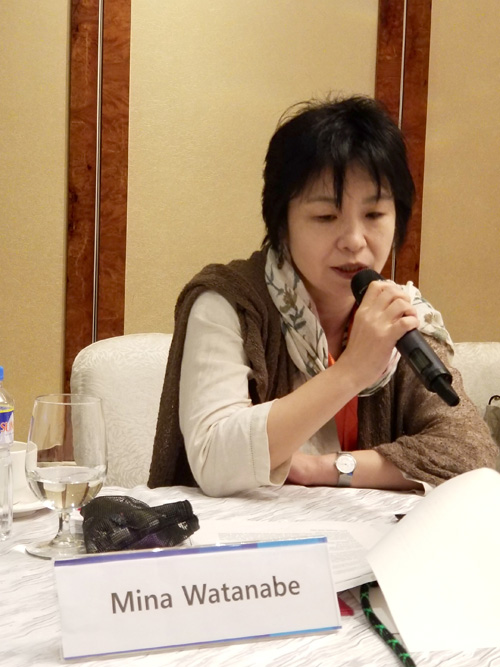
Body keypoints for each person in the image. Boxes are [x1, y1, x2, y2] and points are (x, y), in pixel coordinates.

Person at [148, 94, 497, 496]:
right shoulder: (231, 303)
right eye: (326, 217)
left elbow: (471, 455)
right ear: (282, 223)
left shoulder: (399, 313)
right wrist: (351, 371)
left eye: (374, 215)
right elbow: (214, 458)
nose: (354, 240)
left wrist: (324, 468)